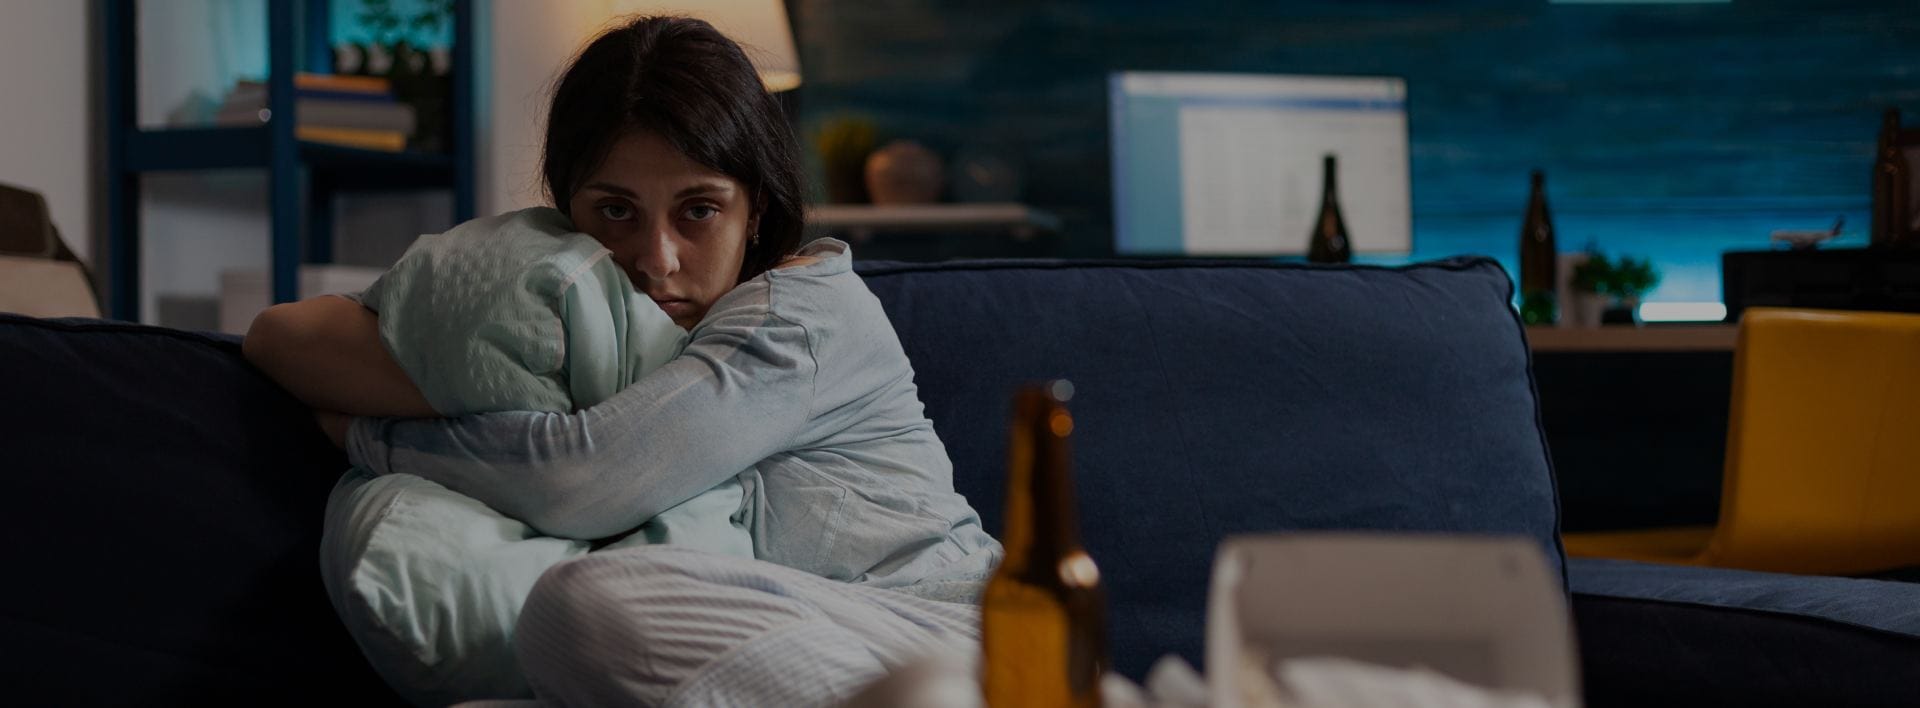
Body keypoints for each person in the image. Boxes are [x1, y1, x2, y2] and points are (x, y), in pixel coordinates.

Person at [243, 14, 1002, 707]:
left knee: (583, 601)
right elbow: (283, 335)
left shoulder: (800, 315)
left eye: (699, 210)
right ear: (564, 211)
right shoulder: (577, 311)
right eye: (615, 211)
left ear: (757, 211)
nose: (655, 259)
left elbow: (577, 480)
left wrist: (367, 434)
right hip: (790, 638)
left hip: (945, 626)